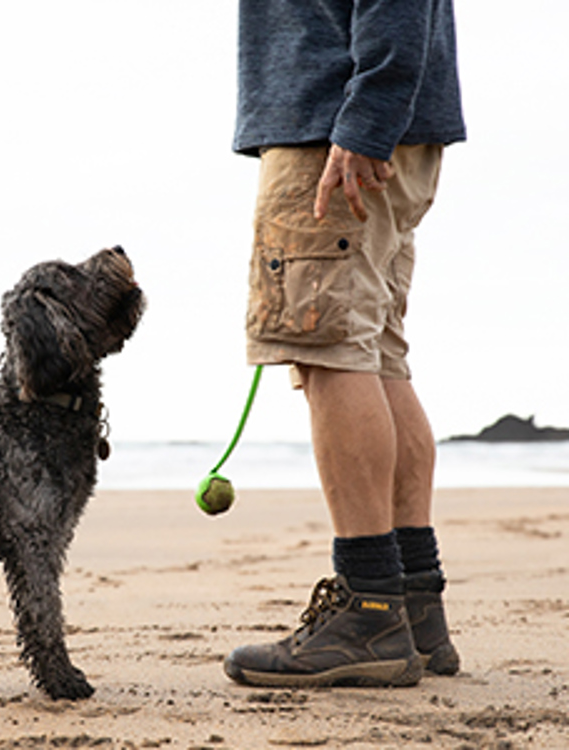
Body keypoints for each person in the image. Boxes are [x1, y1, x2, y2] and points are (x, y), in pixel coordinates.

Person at [223, 0, 466, 688]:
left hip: (339, 130)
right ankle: (413, 604)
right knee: (377, 354)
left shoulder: (355, 122)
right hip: (368, 123)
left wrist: (365, 120)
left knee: (331, 351)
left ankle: (369, 610)